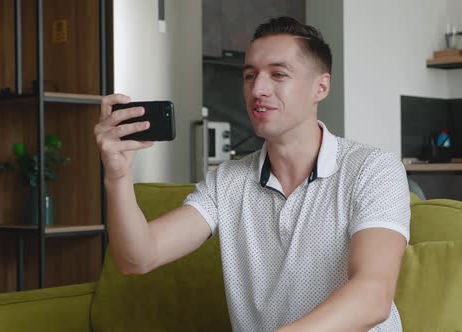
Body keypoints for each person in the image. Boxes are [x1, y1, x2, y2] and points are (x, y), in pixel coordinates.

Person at [95, 16, 410, 332]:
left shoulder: (373, 169)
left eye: (278, 74)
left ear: (321, 86)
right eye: (250, 76)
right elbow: (137, 259)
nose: (258, 89)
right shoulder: (227, 181)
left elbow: (373, 295)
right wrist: (117, 176)